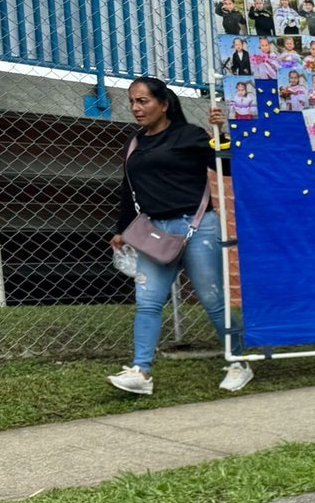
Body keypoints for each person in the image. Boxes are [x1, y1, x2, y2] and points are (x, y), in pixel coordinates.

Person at [107, 77, 251, 396]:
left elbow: (226, 167)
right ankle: (141, 371)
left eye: (143, 101)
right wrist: (121, 229)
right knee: (147, 302)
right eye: (132, 101)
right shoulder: (135, 143)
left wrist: (221, 134)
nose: (135, 108)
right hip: (155, 232)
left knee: (213, 300)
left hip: (197, 227)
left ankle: (239, 361)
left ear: (164, 104)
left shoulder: (190, 135)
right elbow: (128, 189)